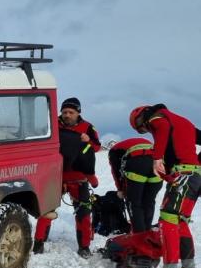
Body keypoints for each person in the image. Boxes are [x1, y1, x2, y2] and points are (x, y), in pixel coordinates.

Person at [130, 104, 201, 268]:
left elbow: (162, 128)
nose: (144, 129)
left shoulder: (158, 117)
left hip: (183, 174)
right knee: (180, 220)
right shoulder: (184, 122)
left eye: (140, 126)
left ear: (143, 115)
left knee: (167, 219)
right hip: (193, 175)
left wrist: (157, 157)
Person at [33, 97, 101, 257]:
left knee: (84, 213)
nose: (67, 115)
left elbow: (97, 147)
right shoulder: (52, 125)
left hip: (79, 177)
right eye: (64, 112)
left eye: (71, 112)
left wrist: (88, 141)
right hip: (54, 175)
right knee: (46, 211)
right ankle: (38, 244)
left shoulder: (88, 127)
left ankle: (84, 247)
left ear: (78, 113)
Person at [107, 137, 162, 233]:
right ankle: (147, 230)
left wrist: (120, 189)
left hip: (138, 163)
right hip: (157, 164)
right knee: (149, 201)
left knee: (134, 202)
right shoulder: (143, 141)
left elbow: (115, 171)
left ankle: (139, 236)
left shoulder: (113, 151)